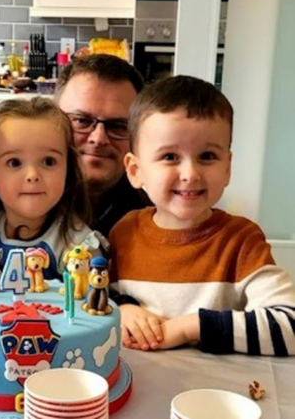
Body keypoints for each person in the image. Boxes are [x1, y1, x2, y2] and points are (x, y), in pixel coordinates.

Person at [109, 75, 295, 356]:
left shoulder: (241, 241)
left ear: (227, 168)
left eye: (207, 156)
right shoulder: (124, 232)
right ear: (135, 170)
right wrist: (121, 308)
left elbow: (290, 326)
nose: (191, 174)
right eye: (170, 156)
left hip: (215, 394)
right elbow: (93, 297)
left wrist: (189, 327)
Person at [0, 97, 104, 282]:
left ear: (67, 170)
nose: (32, 175)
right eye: (14, 162)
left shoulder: (80, 247)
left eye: (49, 161)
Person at [55, 54, 152, 237]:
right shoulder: (7, 207)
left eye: (118, 126)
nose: (99, 139)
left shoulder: (156, 222)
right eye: (82, 121)